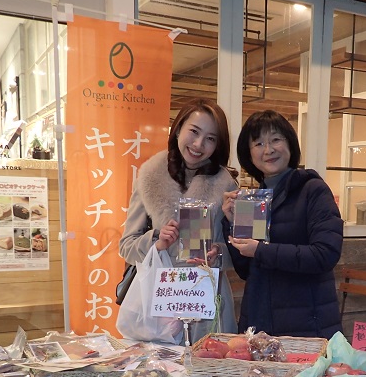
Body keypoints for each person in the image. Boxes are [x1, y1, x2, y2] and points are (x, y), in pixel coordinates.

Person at [119, 99, 239, 340]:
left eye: (210, 138)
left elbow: (239, 250)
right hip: (161, 303)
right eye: (194, 131)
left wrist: (218, 253)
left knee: (209, 360)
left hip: (207, 300)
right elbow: (126, 246)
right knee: (161, 362)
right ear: (178, 129)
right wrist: (157, 240)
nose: (198, 144)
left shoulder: (226, 184)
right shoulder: (149, 177)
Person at [222, 110, 343, 338]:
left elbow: (325, 254)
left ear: (290, 144)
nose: (268, 150)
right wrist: (231, 222)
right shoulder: (254, 200)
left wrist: (261, 250)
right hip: (260, 324)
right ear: (249, 154)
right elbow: (247, 269)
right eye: (258, 143)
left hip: (306, 326)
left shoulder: (313, 190)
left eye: (276, 139)